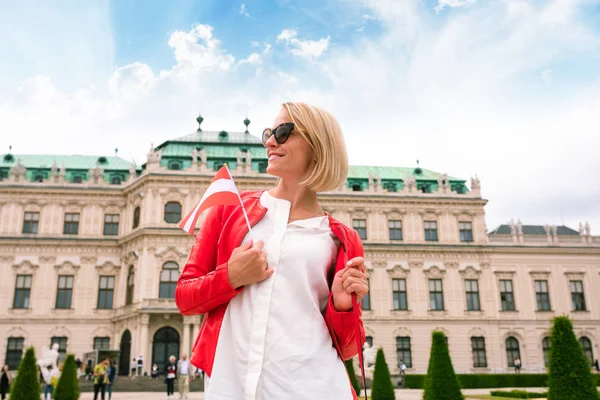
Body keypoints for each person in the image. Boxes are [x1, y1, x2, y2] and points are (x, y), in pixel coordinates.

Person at [175, 102, 369, 399]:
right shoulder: (229, 212)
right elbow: (185, 298)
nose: (269, 141)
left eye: (282, 131)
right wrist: (231, 276)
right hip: (233, 385)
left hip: (317, 386)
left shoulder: (341, 238)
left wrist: (342, 306)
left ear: (317, 145)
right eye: (269, 132)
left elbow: (347, 347)